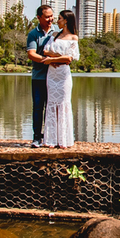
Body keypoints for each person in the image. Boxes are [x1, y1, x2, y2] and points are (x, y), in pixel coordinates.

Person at [42, 10, 79, 148]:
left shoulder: (73, 38)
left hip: (63, 75)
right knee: (52, 103)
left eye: (59, 18)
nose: (57, 21)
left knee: (63, 104)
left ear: (66, 21)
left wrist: (53, 59)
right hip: (52, 75)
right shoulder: (54, 35)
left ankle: (64, 140)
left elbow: (69, 58)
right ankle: (51, 139)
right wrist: (58, 58)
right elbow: (45, 51)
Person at [26, 5, 57, 147]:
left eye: (51, 16)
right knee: (38, 107)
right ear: (38, 18)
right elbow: (31, 54)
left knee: (53, 108)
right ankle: (37, 137)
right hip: (39, 77)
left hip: (55, 78)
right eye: (47, 16)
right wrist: (47, 61)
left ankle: (52, 137)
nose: (50, 19)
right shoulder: (33, 34)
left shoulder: (57, 32)